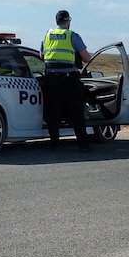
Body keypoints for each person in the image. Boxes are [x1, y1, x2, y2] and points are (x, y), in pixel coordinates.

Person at [41, 10, 93, 151]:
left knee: (53, 113)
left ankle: (54, 144)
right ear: (68, 21)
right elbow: (87, 58)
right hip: (69, 80)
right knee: (77, 112)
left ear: (56, 21)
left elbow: (41, 55)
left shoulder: (47, 35)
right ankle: (83, 144)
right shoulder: (72, 36)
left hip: (51, 80)